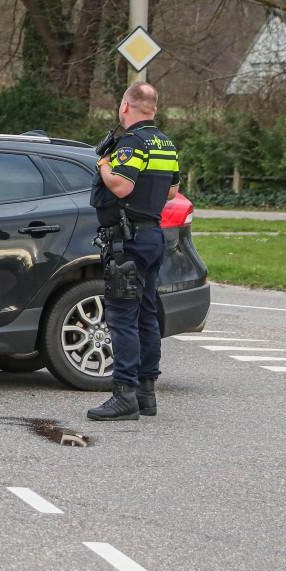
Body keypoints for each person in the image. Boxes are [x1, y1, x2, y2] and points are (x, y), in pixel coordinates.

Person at [86, 81, 179, 421]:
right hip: (153, 237)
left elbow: (122, 185)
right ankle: (146, 392)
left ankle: (124, 394)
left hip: (127, 241)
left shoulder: (132, 142)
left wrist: (104, 167)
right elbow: (172, 191)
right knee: (146, 313)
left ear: (126, 106)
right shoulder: (165, 143)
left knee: (121, 316)